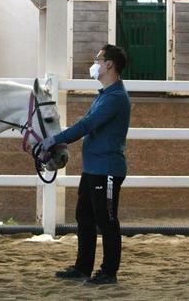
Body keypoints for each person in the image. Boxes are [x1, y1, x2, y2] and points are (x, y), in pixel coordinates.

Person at [41, 44, 131, 285]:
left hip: (107, 170)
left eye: (98, 59)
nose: (95, 63)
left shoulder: (116, 98)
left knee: (107, 221)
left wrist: (55, 139)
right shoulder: (105, 95)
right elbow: (87, 124)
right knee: (85, 217)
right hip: (93, 169)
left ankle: (109, 272)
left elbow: (86, 125)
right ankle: (83, 267)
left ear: (109, 64)